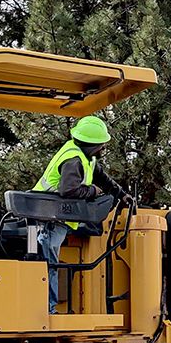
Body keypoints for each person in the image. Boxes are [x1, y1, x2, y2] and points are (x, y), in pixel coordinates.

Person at [33, 115, 130, 313]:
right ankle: (47, 310)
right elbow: (68, 191)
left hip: (53, 218)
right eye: (101, 145)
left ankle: (46, 307)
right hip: (49, 219)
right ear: (92, 145)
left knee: (50, 263)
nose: (103, 148)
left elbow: (104, 179)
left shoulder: (86, 158)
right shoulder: (74, 159)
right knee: (48, 265)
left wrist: (122, 195)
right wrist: (93, 192)